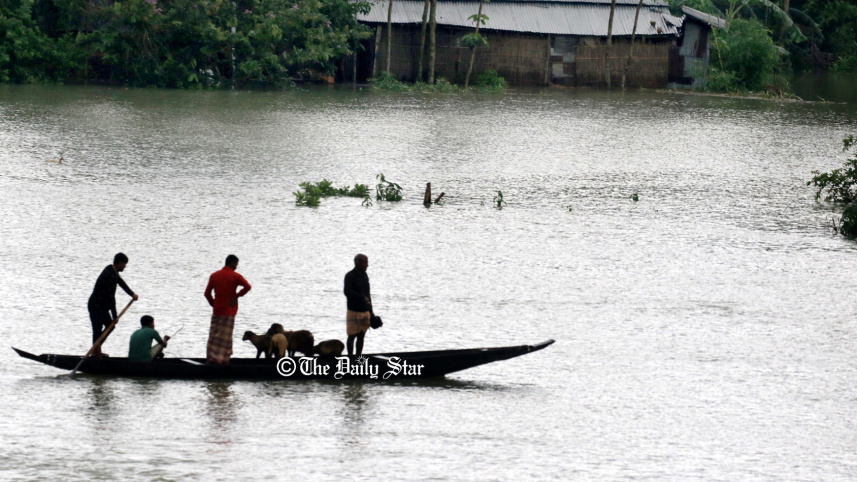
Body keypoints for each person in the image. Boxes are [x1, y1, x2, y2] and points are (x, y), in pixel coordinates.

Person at [88, 253, 139, 358]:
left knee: (110, 326)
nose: (125, 266)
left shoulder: (112, 270)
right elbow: (111, 298)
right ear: (119, 263)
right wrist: (115, 316)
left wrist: (132, 294)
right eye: (124, 264)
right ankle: (96, 353)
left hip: (103, 306)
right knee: (97, 330)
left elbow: (121, 283)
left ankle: (97, 349)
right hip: (96, 306)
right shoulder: (109, 274)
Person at [204, 254, 251, 364]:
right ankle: (223, 360)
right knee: (226, 337)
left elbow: (207, 293)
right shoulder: (235, 276)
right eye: (236, 264)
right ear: (232, 263)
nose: (236, 267)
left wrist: (213, 304)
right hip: (229, 310)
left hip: (217, 310)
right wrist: (237, 296)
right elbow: (248, 287)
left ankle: (211, 359)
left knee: (214, 336)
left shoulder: (214, 275)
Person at [344, 253, 374, 356]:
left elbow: (368, 293)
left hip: (365, 311)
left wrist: (371, 311)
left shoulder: (365, 276)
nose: (367, 265)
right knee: (352, 336)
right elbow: (347, 292)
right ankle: (350, 359)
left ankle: (358, 357)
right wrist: (361, 296)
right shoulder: (350, 276)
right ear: (358, 263)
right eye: (365, 263)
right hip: (353, 311)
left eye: (367, 263)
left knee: (361, 336)